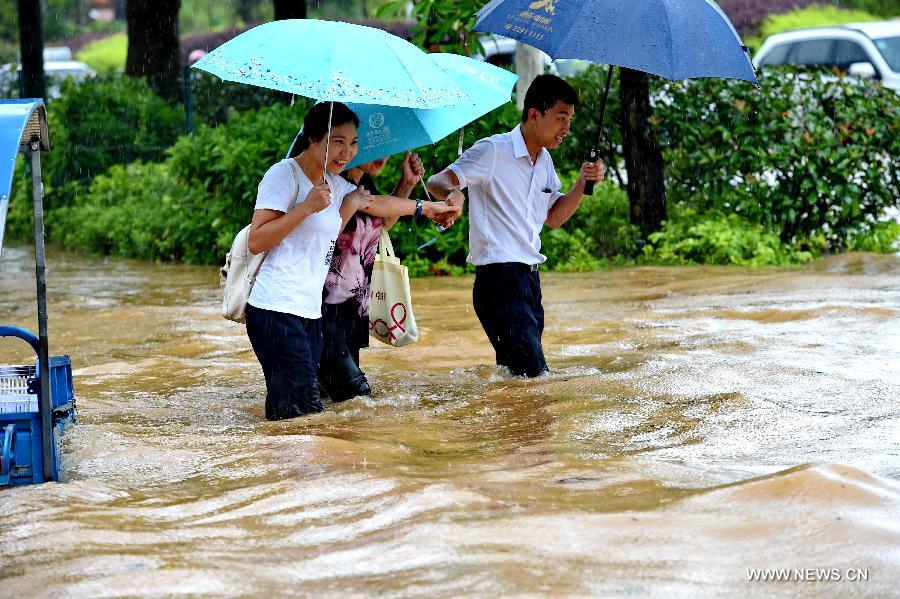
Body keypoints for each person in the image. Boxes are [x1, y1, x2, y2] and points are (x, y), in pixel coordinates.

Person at [426, 74, 605, 378]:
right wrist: (455, 193)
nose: (567, 129)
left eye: (570, 120)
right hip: (499, 280)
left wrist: (581, 183)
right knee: (535, 378)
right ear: (534, 114)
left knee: (518, 380)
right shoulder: (494, 150)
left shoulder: (545, 161)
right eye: (561, 118)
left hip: (529, 283)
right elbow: (437, 181)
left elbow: (555, 218)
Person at [318, 150, 458, 402]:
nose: (383, 155)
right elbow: (371, 209)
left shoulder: (363, 183)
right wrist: (427, 207)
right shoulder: (329, 185)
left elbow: (379, 225)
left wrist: (406, 183)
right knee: (357, 396)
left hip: (351, 309)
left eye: (387, 147)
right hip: (324, 311)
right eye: (374, 146)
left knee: (334, 402)